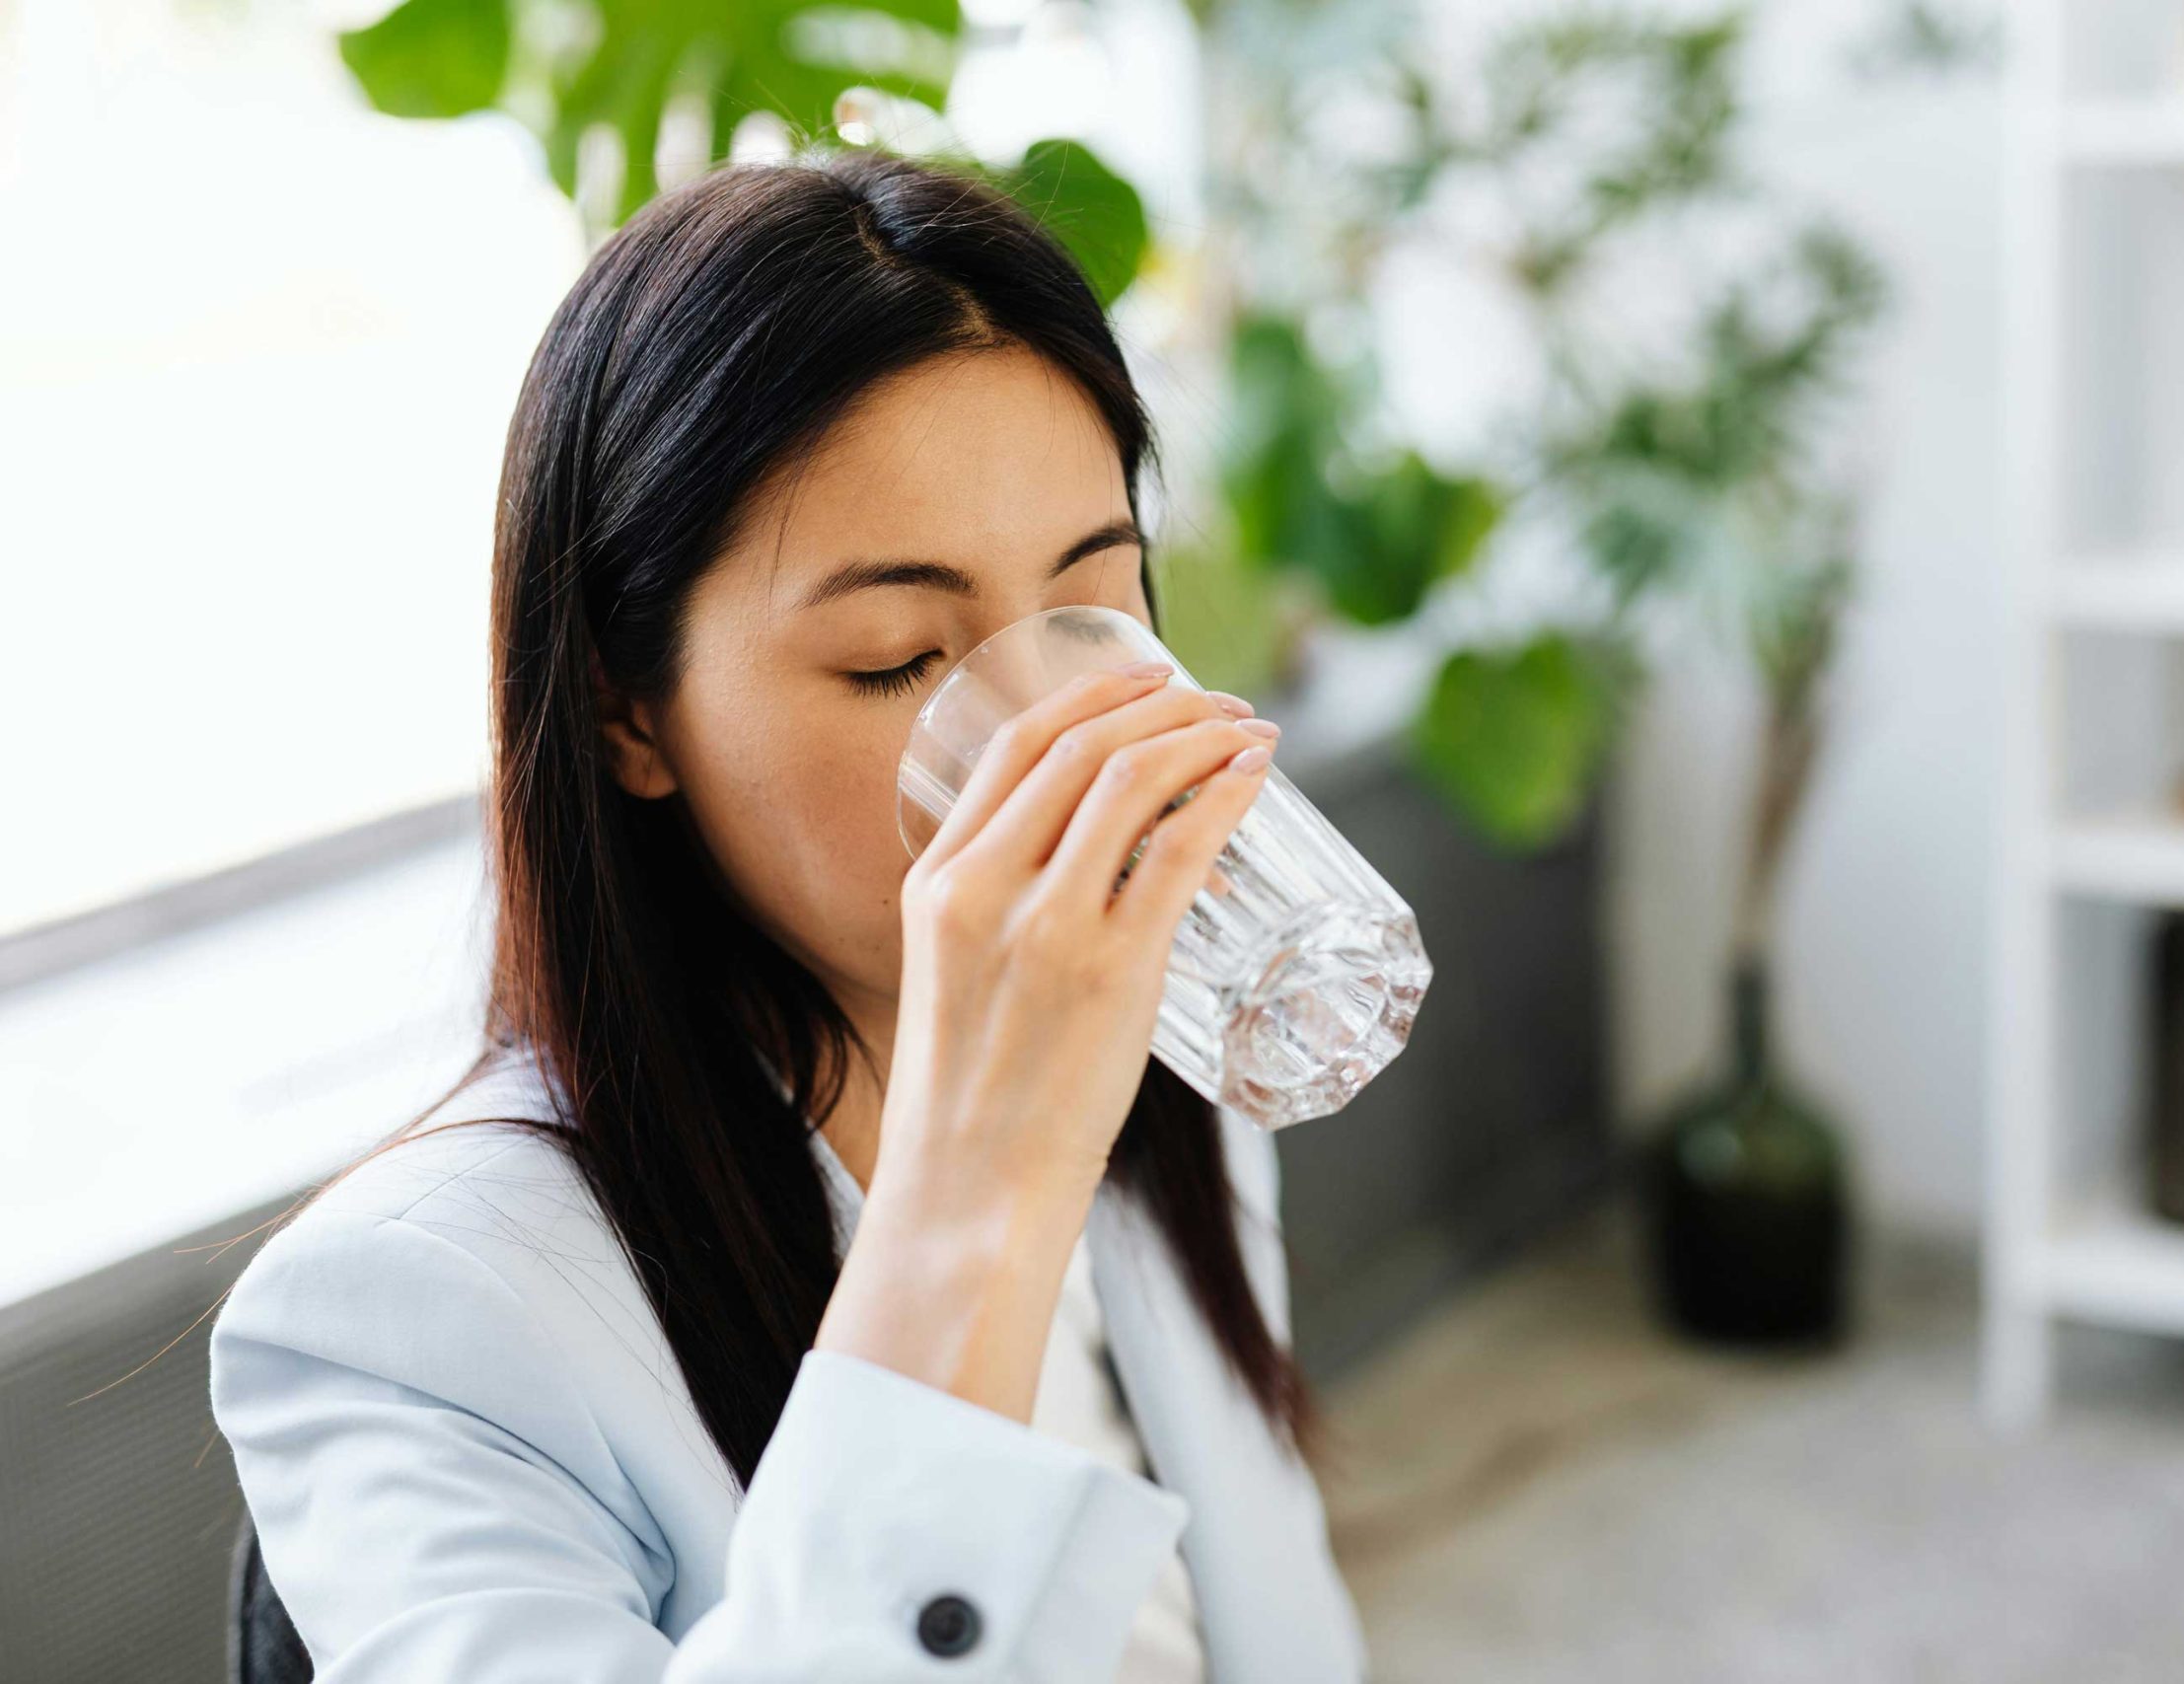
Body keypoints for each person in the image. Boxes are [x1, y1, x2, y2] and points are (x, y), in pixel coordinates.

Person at [206, 145, 1367, 1682]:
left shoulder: (1171, 1072)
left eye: (1099, 599)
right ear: (629, 715)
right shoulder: (414, 1322)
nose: (1049, 741)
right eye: (898, 656)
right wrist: (980, 1187)